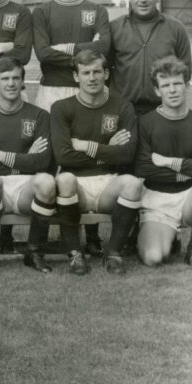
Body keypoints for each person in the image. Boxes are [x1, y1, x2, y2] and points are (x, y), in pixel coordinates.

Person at [32, 0, 111, 254]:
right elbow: (42, 53)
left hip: (88, 94)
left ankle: (91, 236)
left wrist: (67, 49)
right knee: (51, 159)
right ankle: (44, 236)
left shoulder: (95, 9)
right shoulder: (42, 11)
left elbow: (103, 47)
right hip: (52, 90)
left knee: (85, 159)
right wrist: (84, 52)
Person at [51, 49, 142, 275]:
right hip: (77, 185)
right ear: (76, 77)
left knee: (132, 184)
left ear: (106, 74)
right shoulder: (61, 108)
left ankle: (113, 253)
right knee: (64, 179)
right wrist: (108, 147)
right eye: (85, 73)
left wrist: (86, 146)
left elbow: (127, 155)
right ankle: (75, 255)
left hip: (108, 183)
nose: (92, 78)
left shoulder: (123, 107)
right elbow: (63, 156)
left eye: (97, 72)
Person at [0, 57, 57, 273]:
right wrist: (26, 158)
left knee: (46, 182)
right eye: (5, 78)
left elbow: (45, 163)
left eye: (16, 78)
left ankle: (34, 251)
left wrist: (0, 156)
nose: (11, 84)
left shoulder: (40, 116)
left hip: (26, 188)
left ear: (23, 82)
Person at [135, 56, 192, 269]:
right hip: (157, 200)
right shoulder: (145, 123)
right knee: (153, 258)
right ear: (157, 91)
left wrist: (167, 162)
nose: (172, 90)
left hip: (189, 198)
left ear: (187, 85)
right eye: (166, 85)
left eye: (177, 83)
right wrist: (191, 166)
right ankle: (167, 237)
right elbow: (143, 167)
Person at [110, 0, 192, 116]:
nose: (143, 0)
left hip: (163, 110)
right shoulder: (114, 28)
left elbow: (186, 70)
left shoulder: (176, 28)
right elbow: (104, 68)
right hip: (123, 110)